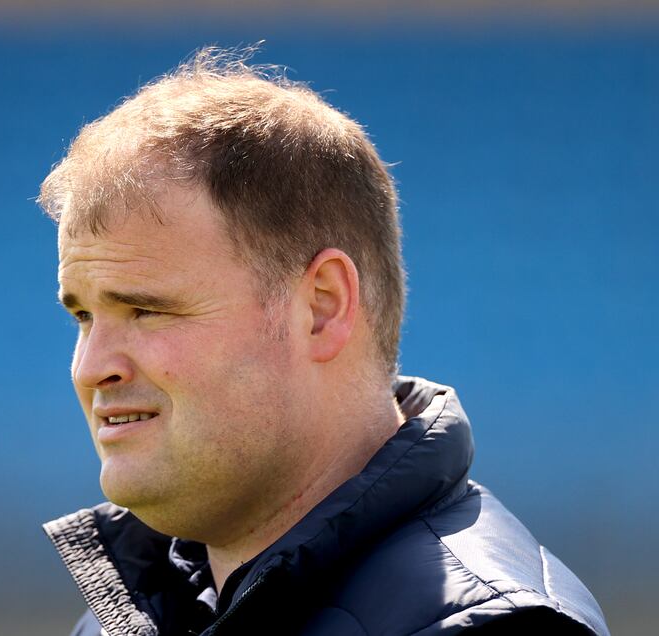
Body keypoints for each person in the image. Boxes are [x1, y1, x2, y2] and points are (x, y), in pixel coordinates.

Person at [37, 48, 609, 636]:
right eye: (82, 315)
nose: (90, 367)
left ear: (322, 307)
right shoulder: (130, 617)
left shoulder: (492, 628)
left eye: (146, 310)